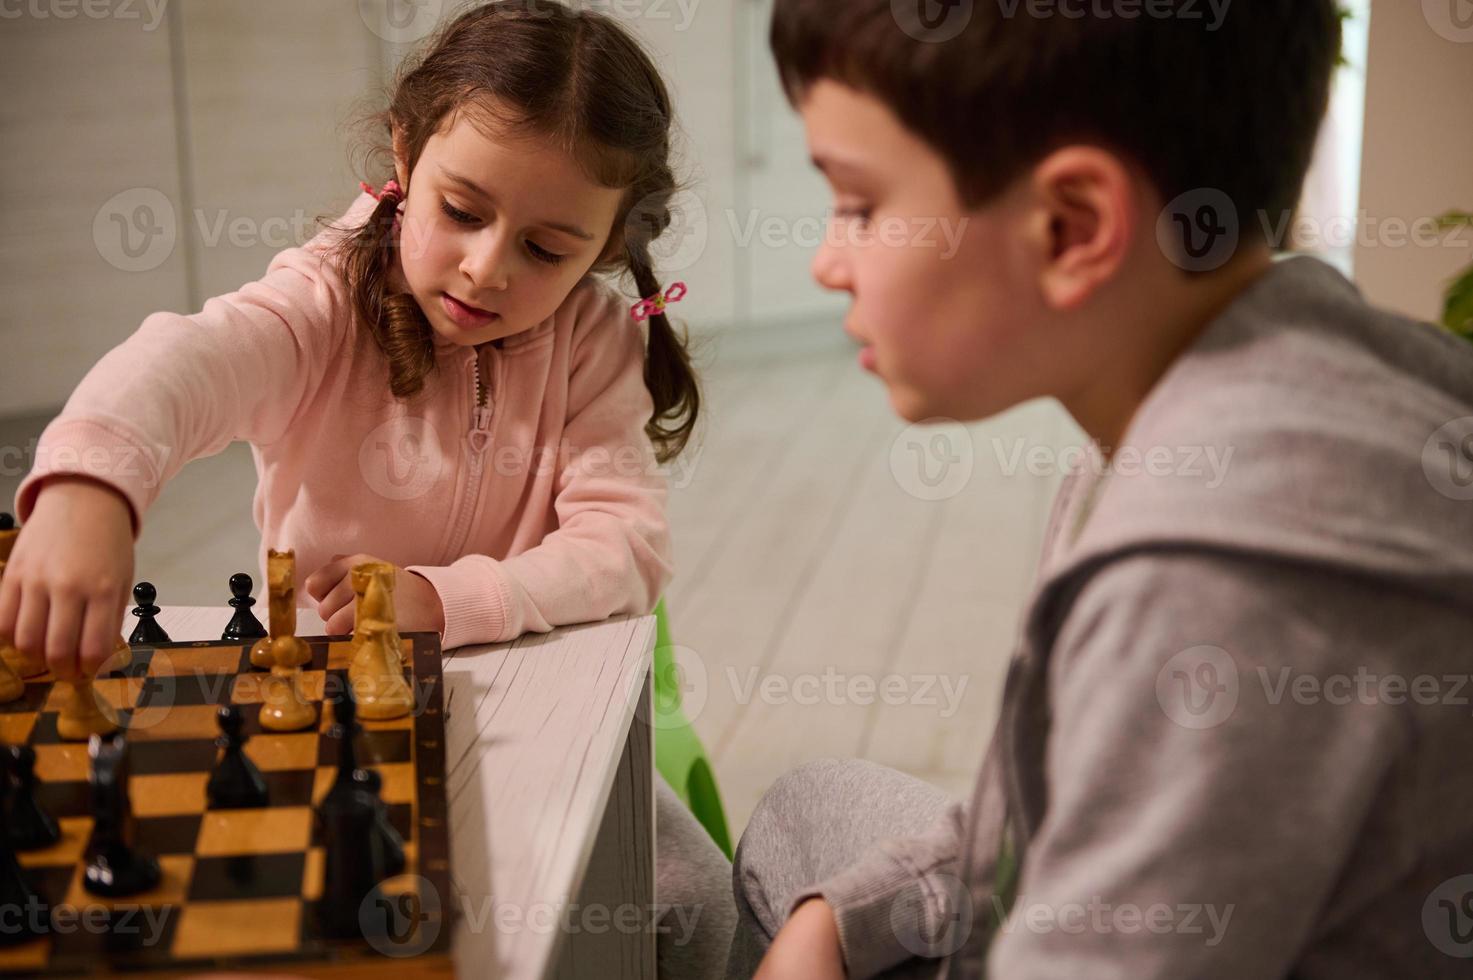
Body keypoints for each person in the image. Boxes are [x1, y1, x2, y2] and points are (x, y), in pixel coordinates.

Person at [728, 1, 1473, 978]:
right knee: (809, 814)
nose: (829, 262)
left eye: (861, 205)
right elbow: (1036, 817)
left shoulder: (1213, 581)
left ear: (1073, 225)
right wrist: (851, 919)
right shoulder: (1255, 382)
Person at [0, 3, 733, 974]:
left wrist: (446, 595)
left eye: (547, 249)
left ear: (605, 244)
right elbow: (190, 360)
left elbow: (626, 546)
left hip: (538, 693)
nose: (486, 265)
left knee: (688, 892)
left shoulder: (594, 340)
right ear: (405, 149)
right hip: (339, 707)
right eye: (462, 211)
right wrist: (92, 479)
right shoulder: (319, 302)